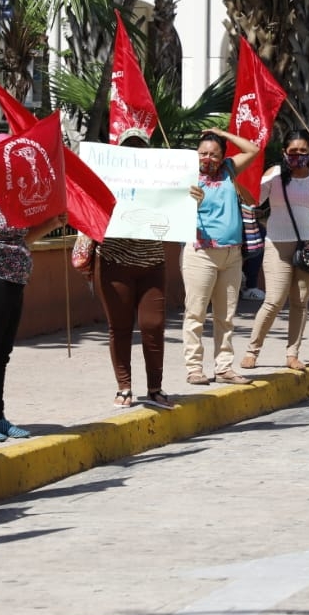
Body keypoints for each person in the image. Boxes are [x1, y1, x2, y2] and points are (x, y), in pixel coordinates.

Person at [0, 134, 68, 441]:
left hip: (14, 277)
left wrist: (50, 225)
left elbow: (19, 240)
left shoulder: (16, 193)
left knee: (2, 352)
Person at [80, 127, 174, 409]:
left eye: (140, 147)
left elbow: (179, 213)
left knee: (153, 325)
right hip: (114, 262)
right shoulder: (106, 181)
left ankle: (155, 388)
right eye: (129, 147)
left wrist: (192, 198)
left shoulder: (163, 181)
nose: (135, 152)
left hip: (152, 263)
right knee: (119, 327)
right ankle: (124, 387)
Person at [241, 129, 309, 372]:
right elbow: (255, 200)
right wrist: (241, 181)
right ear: (284, 153)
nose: (298, 156)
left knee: (300, 302)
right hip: (277, 244)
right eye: (293, 152)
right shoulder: (274, 174)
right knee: (274, 300)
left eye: (303, 152)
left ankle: (292, 353)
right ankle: (252, 351)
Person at [183, 128, 261, 385]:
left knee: (225, 316)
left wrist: (220, 133)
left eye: (214, 154)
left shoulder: (229, 169)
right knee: (196, 313)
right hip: (201, 253)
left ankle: (224, 367)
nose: (208, 158)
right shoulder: (187, 176)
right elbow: (172, 210)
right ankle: (194, 368)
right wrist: (188, 199)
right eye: (203, 153)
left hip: (231, 254)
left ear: (223, 156)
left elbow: (253, 149)